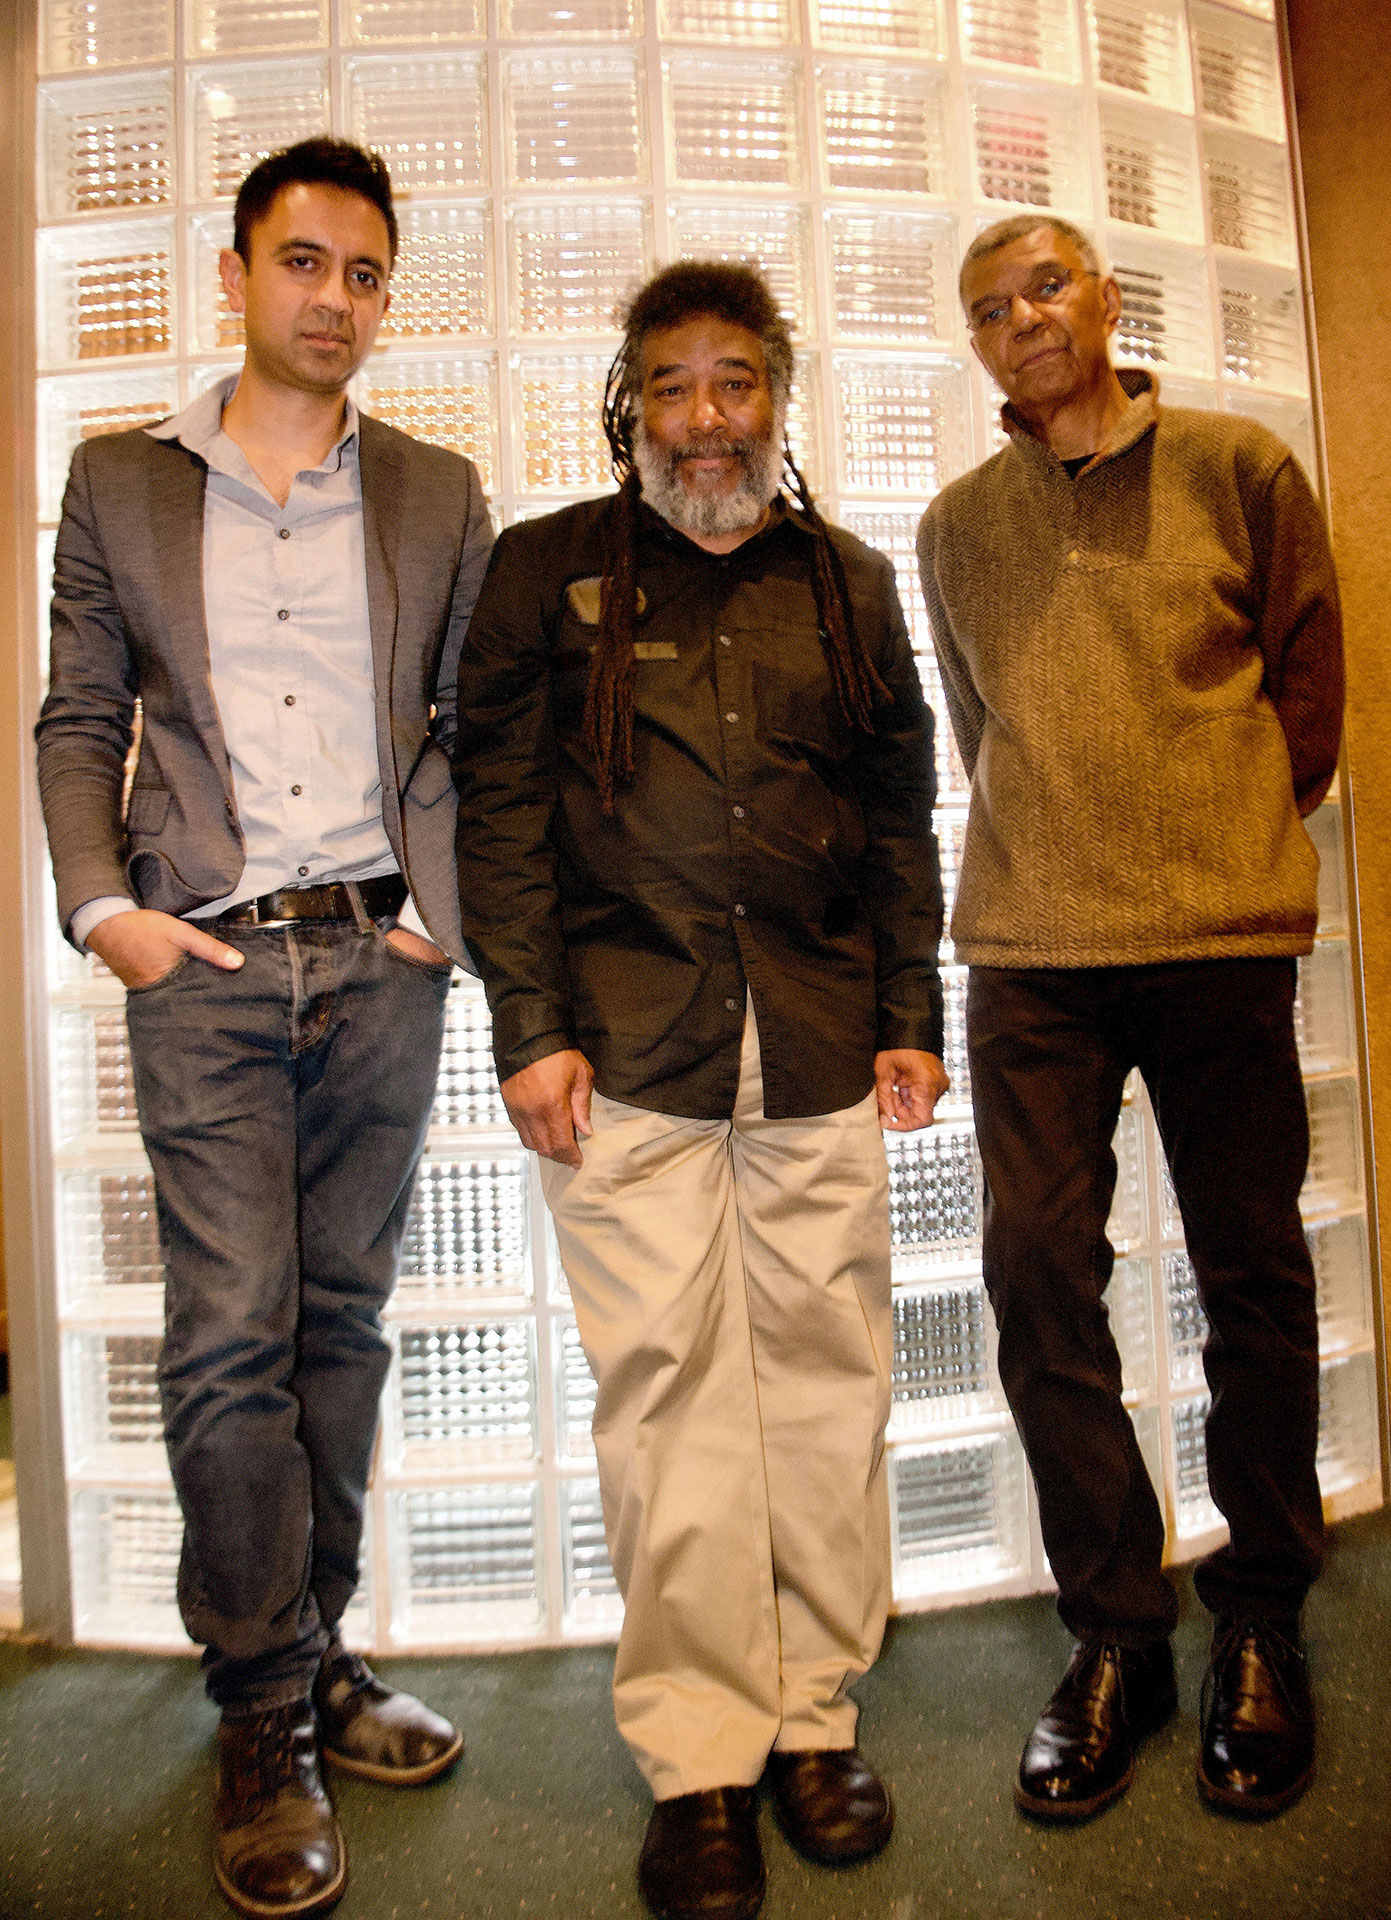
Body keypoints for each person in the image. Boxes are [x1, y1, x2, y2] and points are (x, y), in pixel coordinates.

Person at [453, 261, 947, 1920]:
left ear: (780, 396)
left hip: (814, 1045)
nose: (706, 420)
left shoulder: (851, 583)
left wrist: (908, 1006)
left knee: (824, 1391)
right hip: (627, 1057)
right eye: (672, 386)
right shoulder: (542, 576)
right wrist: (526, 1024)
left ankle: (813, 1719)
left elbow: (896, 818)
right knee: (668, 1414)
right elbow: (500, 821)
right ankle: (700, 1759)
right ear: (629, 406)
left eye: (735, 383)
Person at [36, 137, 494, 1920]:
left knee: (343, 1326)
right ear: (236, 273)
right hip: (208, 968)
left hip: (379, 966)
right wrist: (110, 915)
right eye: (304, 263)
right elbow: (78, 720)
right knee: (229, 1333)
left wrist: (442, 920)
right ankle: (261, 1711)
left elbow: (462, 724)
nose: (336, 299)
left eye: (367, 274)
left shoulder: (439, 491)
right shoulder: (121, 483)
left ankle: (314, 1655)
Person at [917, 214, 1343, 1826]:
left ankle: (1262, 1618)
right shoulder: (956, 527)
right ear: (977, 351)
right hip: (1032, 950)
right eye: (988, 309)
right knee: (1034, 1274)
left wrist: (1237, 827)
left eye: (1045, 285)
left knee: (1254, 1270)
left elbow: (1307, 686)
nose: (1021, 318)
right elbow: (981, 729)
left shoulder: (1239, 467)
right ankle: (1118, 1627)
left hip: (1221, 934)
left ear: (1104, 300)